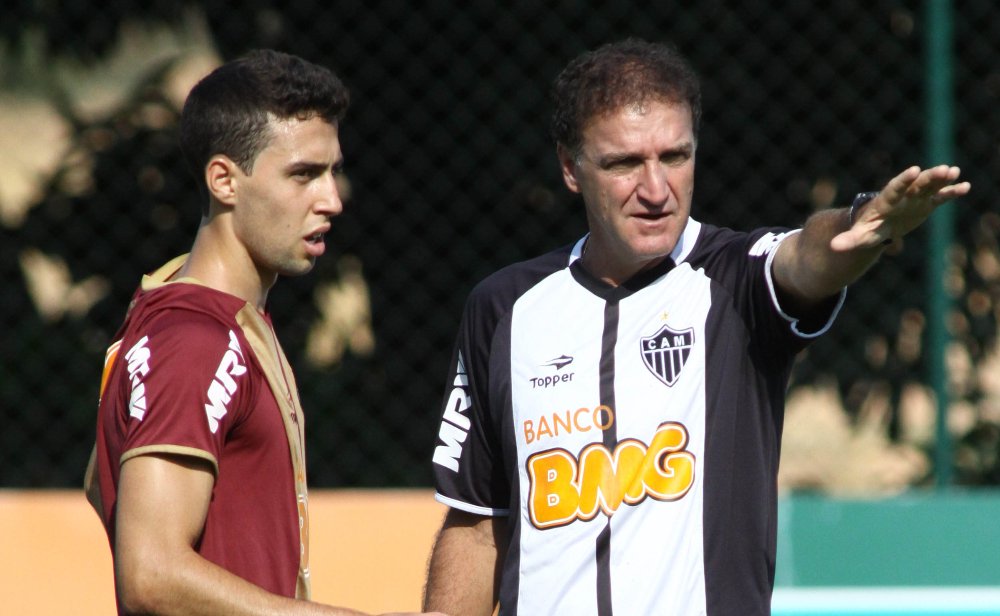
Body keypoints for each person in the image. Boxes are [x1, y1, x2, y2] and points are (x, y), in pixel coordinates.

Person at [422, 38, 970, 616]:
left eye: (675, 157)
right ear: (570, 169)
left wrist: (861, 224)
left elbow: (807, 257)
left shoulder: (736, 279)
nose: (656, 190)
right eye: (624, 163)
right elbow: (479, 523)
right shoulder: (504, 307)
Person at [84, 49, 444, 616]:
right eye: (303, 174)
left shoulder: (222, 322)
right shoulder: (193, 341)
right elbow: (150, 573)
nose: (331, 199)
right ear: (224, 180)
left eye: (333, 171)